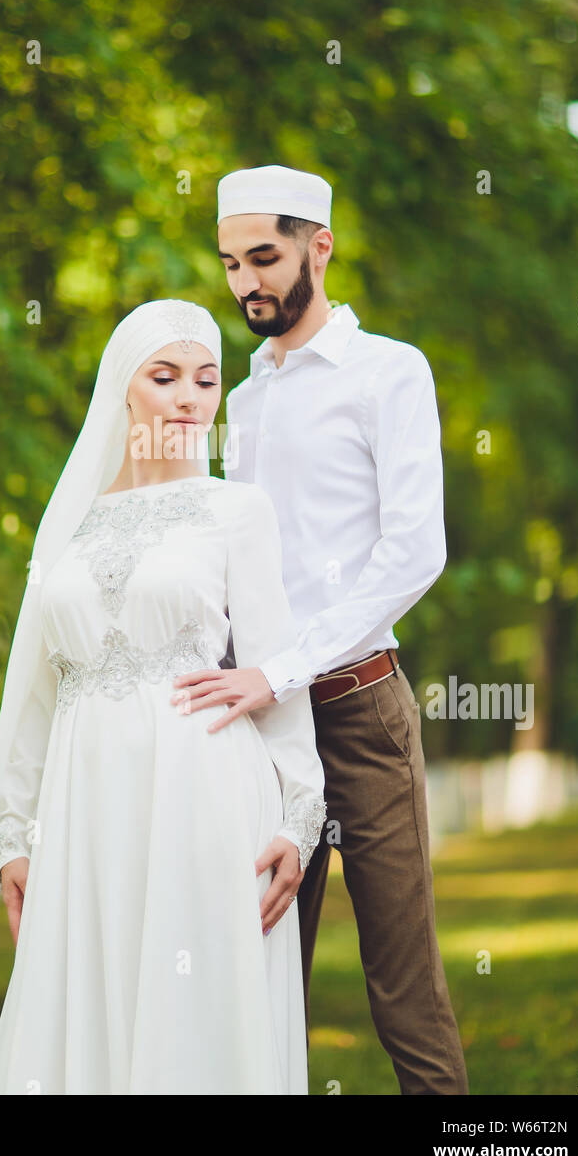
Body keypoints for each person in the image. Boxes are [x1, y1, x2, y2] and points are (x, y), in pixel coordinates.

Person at [171, 166, 469, 1095]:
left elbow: (415, 553)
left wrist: (284, 667)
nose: (247, 282)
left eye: (265, 257)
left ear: (320, 246)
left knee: (403, 992)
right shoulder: (245, 396)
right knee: (259, 981)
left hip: (358, 712)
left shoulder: (391, 372)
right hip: (259, 734)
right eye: (231, 263)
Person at [0, 299, 326, 1095]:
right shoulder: (67, 525)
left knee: (193, 1017)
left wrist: (299, 820)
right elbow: (32, 693)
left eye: (206, 380)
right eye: (164, 377)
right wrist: (12, 834)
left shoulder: (237, 510)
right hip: (82, 812)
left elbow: (275, 676)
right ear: (122, 392)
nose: (188, 397)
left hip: (205, 798)